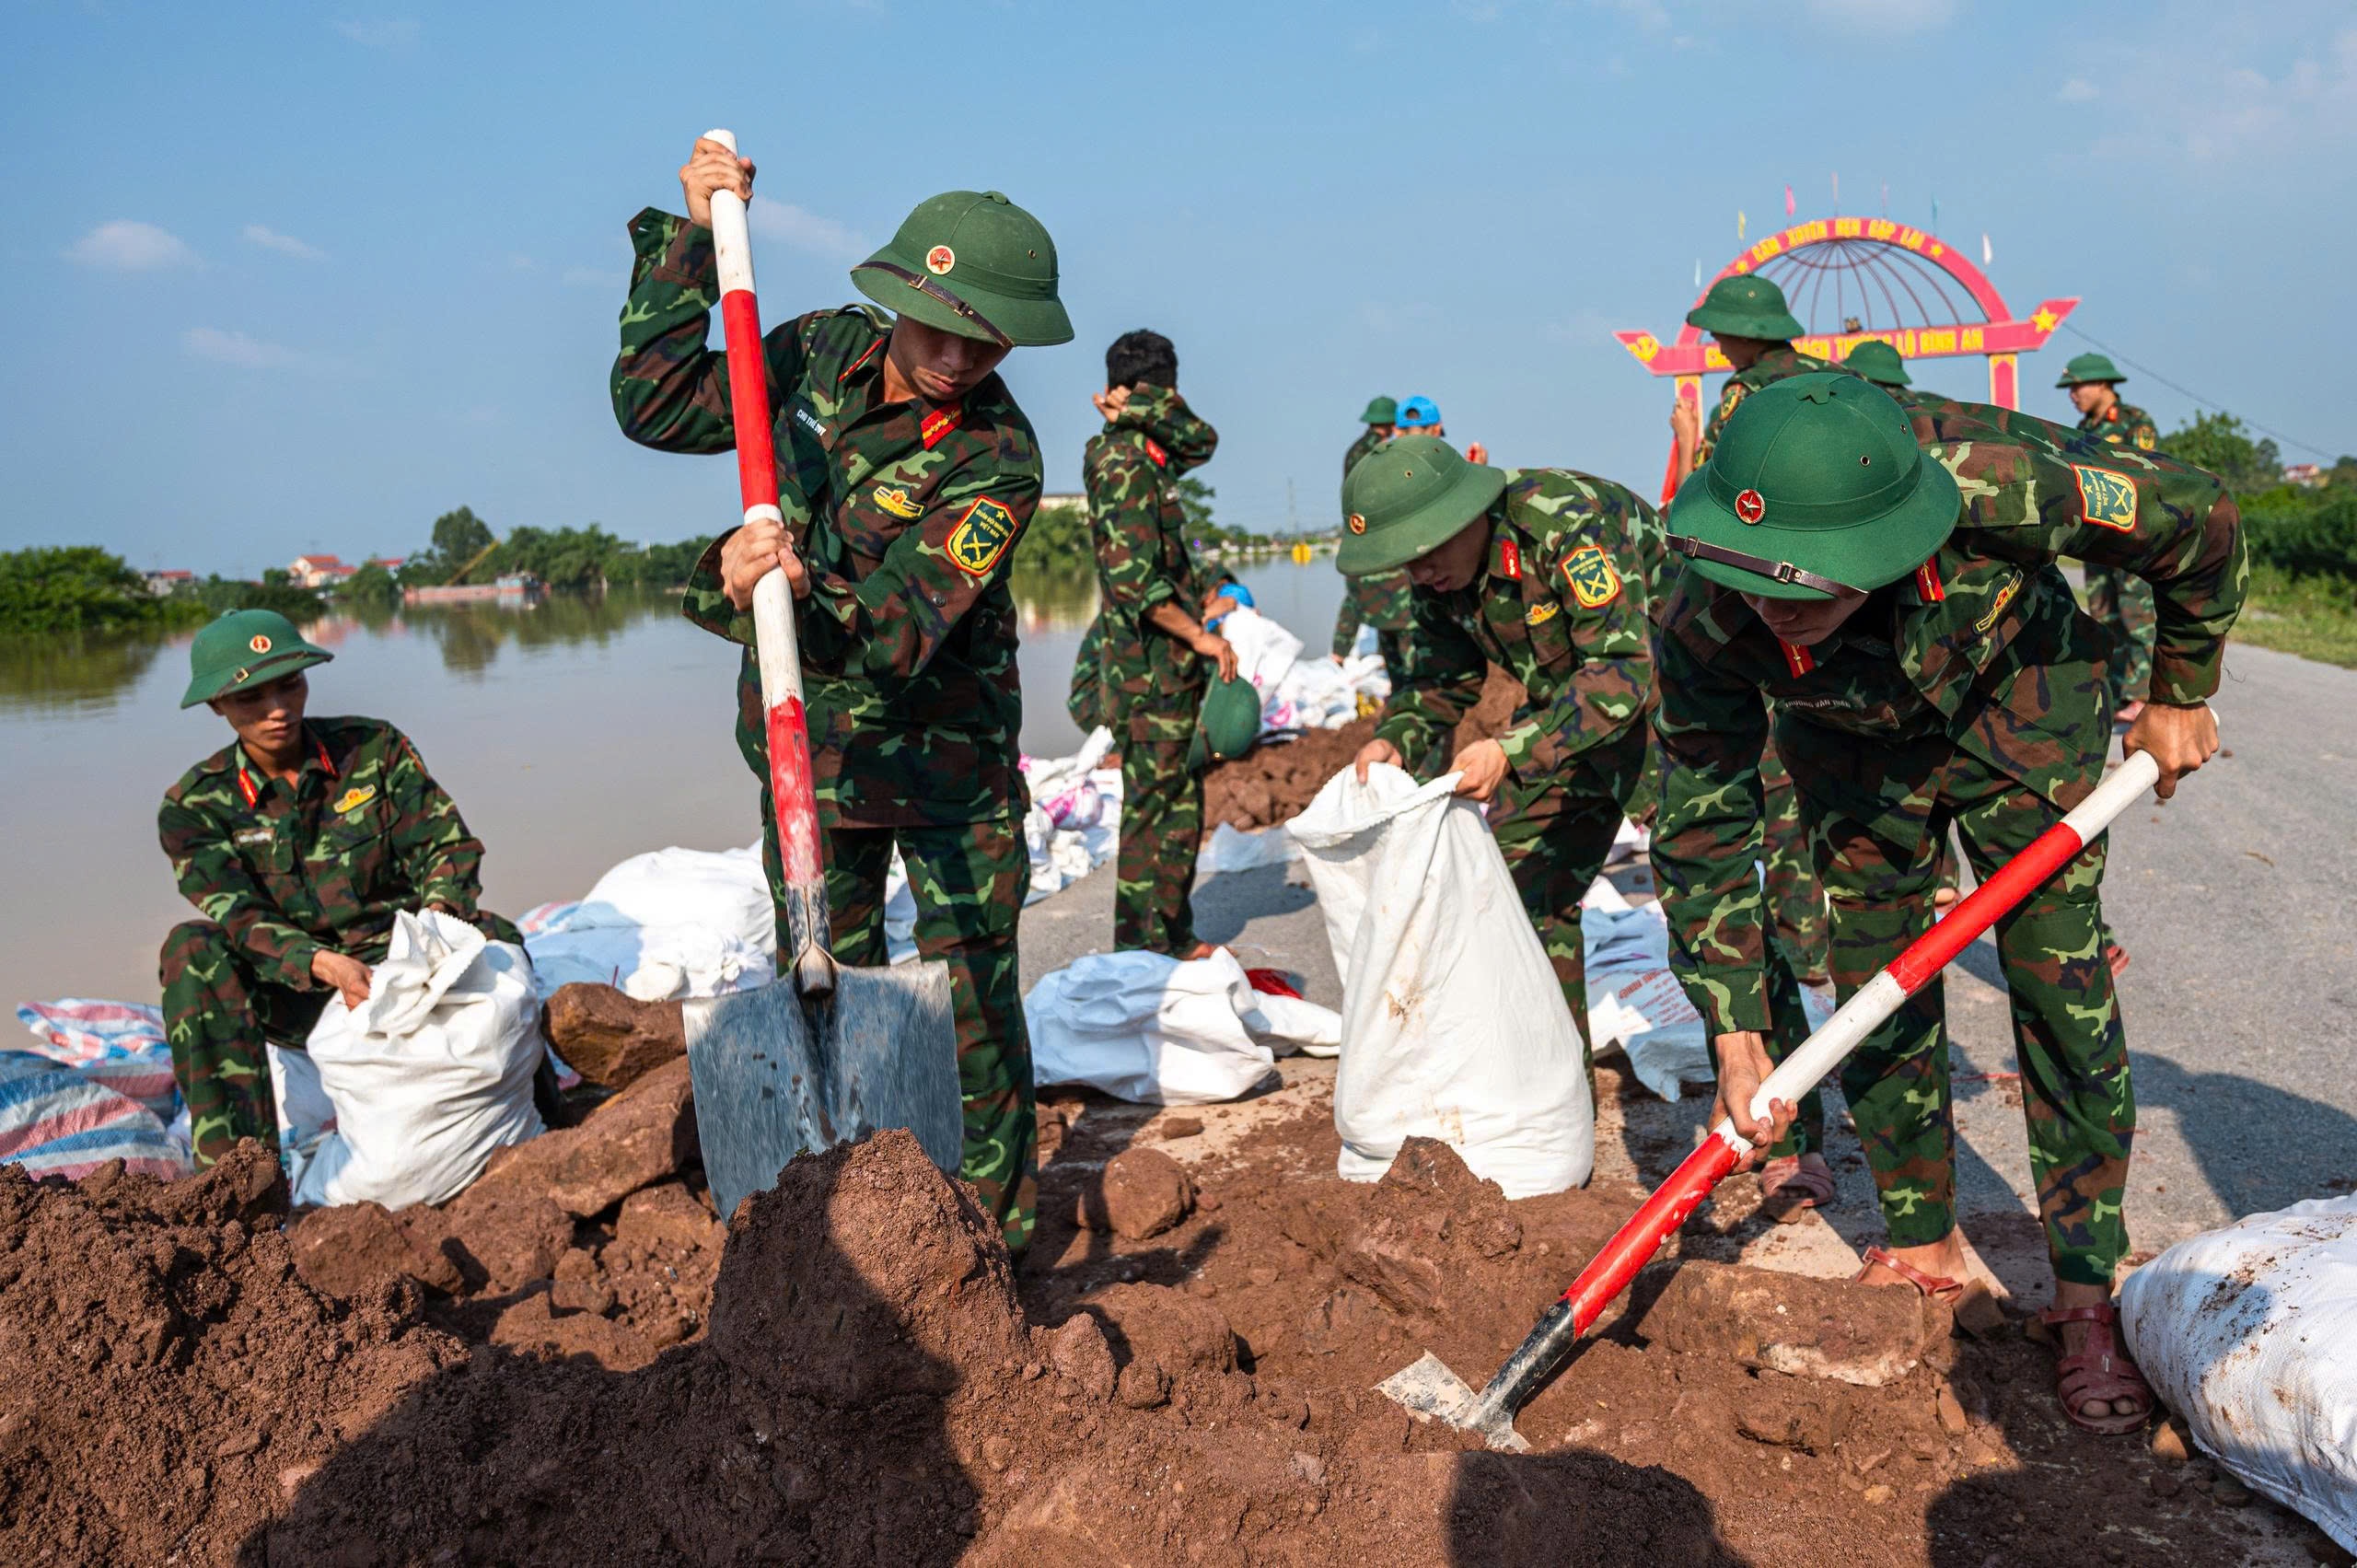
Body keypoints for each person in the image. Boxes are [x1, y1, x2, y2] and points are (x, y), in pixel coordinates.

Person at [1650, 371, 2240, 1434]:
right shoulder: (1699, 600)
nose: (1774, 611)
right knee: (1875, 979)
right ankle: (1922, 1241)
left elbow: (2197, 518)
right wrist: (1735, 1029)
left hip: (2027, 699)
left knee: (2059, 987)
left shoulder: (1998, 486)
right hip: (1850, 747)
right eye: (1758, 590)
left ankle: (2083, 1291)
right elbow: (1699, 818)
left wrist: (2181, 685)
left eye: (1805, 589)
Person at [610, 138, 1069, 1249]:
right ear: (898, 296)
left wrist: (779, 587)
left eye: (988, 336)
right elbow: (661, 403)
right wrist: (688, 235)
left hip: (947, 763)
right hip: (812, 755)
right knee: (825, 986)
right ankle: (834, 1242)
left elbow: (905, 626)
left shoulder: (1001, 457)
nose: (960, 356)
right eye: (941, 326)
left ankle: (995, 1253)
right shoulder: (817, 352)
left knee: (969, 1007)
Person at [1343, 436, 1660, 1085]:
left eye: (1427, 551)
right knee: (1518, 892)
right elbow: (1439, 681)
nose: (1420, 573)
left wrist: (1510, 749)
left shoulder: (1563, 522)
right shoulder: (1435, 576)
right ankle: (1554, 1091)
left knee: (1709, 907)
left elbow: (1624, 668)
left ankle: (1779, 1130)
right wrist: (1394, 735)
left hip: (1671, 710)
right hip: (1566, 717)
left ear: (1465, 516)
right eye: (1405, 562)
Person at [158, 610, 518, 1167]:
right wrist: (323, 964)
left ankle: (539, 1120)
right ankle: (238, 1175)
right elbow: (241, 917)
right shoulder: (194, 806)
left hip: (401, 965)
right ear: (217, 704)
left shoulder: (372, 750)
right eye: (252, 697)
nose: (278, 709)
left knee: (500, 939)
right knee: (192, 950)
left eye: (290, 685)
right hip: (297, 989)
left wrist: (434, 935)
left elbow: (445, 847)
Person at [1666, 275, 1840, 1013]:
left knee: (1774, 777)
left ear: (1743, 333)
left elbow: (1721, 499)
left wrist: (1684, 442)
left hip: (1772, 596)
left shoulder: (1746, 396)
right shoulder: (1825, 380)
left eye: (1718, 331)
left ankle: (1800, 945)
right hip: (1845, 592)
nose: (1712, 343)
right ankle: (1828, 936)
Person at [1080, 329, 1230, 958]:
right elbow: (1136, 581)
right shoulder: (1120, 462)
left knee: (1180, 805)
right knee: (1151, 814)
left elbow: (1205, 440)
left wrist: (1141, 406)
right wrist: (1203, 637)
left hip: (1171, 672)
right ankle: (1139, 949)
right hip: (1148, 674)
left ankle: (1169, 932)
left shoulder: (1153, 446)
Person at [2058, 352, 2161, 724]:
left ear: (2101, 384)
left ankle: (2143, 695)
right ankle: (2117, 694)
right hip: (2097, 539)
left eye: (2077, 386)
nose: (2072, 394)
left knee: (2138, 616)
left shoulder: (2136, 422)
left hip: (2131, 535)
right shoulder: (2084, 427)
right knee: (2103, 616)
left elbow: (2148, 475)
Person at [1331, 396, 1413, 668]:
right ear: (1390, 423)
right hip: (1381, 537)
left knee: (1360, 600)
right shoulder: (1382, 449)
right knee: (1400, 608)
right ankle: (1401, 667)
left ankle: (1339, 655)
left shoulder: (1353, 450)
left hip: (1358, 536)